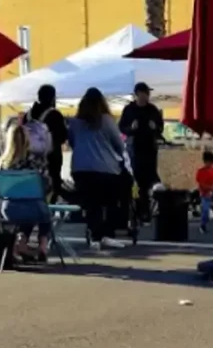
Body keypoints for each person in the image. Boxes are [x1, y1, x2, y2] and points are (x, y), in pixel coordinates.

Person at [68, 87, 128, 250]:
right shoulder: (107, 120)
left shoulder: (74, 123)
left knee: (91, 204)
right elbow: (119, 144)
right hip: (106, 169)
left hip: (80, 169)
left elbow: (73, 143)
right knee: (109, 203)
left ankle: (93, 235)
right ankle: (106, 235)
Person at [0, 122, 54, 263]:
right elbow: (46, 185)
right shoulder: (36, 160)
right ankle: (43, 244)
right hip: (33, 208)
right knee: (40, 207)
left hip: (8, 209)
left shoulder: (3, 163)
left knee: (25, 204)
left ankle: (22, 242)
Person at [119, 82, 166, 223]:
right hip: (135, 149)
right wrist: (131, 128)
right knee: (138, 180)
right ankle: (141, 211)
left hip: (150, 149)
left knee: (151, 178)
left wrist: (155, 127)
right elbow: (121, 127)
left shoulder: (153, 109)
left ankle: (151, 209)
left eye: (148, 94)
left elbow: (160, 127)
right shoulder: (129, 109)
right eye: (144, 93)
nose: (146, 96)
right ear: (137, 94)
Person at [28, 85, 68, 202]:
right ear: (53, 97)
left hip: (31, 158)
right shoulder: (54, 115)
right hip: (51, 159)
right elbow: (62, 137)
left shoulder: (28, 115)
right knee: (52, 188)